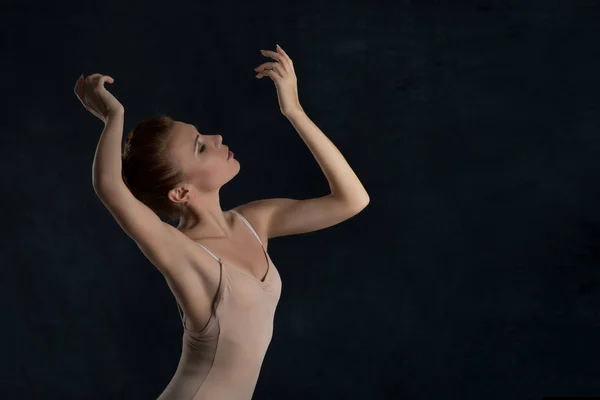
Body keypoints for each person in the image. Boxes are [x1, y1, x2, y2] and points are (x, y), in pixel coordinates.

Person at [74, 44, 369, 399]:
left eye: (203, 135)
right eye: (200, 147)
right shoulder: (184, 253)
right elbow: (109, 185)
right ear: (181, 193)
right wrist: (113, 116)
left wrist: (293, 110)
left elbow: (352, 200)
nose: (216, 139)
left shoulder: (254, 221)